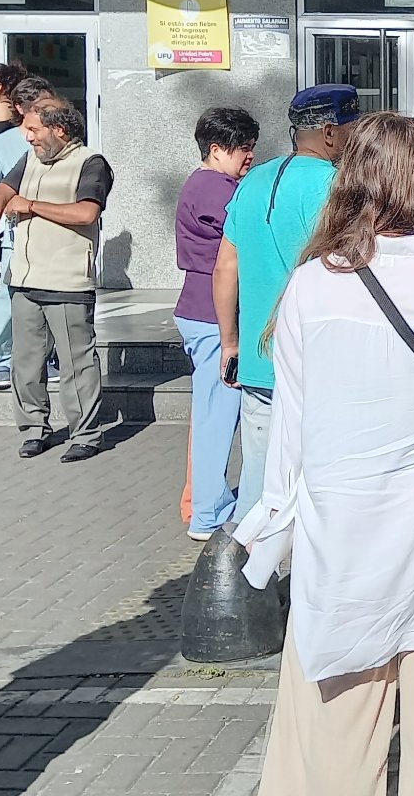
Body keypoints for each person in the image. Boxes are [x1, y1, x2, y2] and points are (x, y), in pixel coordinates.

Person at [234, 113, 414, 796]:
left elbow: (292, 428)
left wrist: (278, 519)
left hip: (346, 525)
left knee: (338, 726)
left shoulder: (312, 285)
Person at [216, 85, 357, 520]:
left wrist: (229, 342)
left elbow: (225, 267)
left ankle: (243, 576)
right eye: (351, 129)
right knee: (323, 486)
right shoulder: (336, 186)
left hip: (259, 361)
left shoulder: (253, 180)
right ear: (331, 133)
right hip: (315, 362)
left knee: (258, 483)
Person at [0, 99, 117, 462]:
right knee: (26, 361)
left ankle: (85, 434)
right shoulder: (30, 160)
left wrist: (32, 205)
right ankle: (35, 429)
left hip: (67, 282)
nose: (28, 136)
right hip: (24, 278)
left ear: (60, 130)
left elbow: (86, 212)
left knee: (76, 362)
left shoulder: (91, 163)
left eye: (35, 129)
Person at [174, 106, 259, 541]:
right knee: (217, 417)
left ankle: (206, 504)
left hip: (203, 311)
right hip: (213, 316)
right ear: (215, 149)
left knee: (213, 414)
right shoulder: (215, 188)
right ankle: (208, 513)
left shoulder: (207, 183)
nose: (250, 156)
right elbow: (250, 236)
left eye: (252, 147)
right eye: (242, 148)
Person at [0, 74, 54, 390]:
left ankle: (48, 356)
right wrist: (4, 200)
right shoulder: (1, 144)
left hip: (52, 232)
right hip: (15, 233)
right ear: (20, 108)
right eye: (38, 105)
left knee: (51, 298)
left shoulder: (57, 138)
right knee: (8, 297)